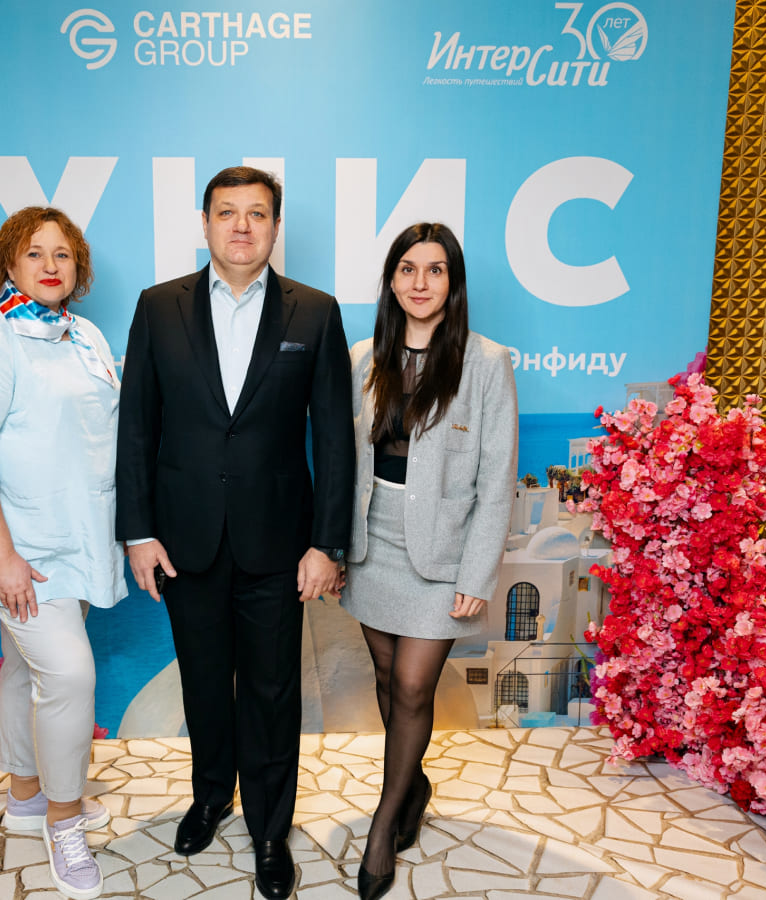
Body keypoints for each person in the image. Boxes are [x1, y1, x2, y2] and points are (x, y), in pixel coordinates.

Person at [115, 166, 354, 899]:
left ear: (275, 227)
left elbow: (335, 439)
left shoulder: (315, 312)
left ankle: (270, 830)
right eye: (227, 212)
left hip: (278, 544)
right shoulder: (158, 307)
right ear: (205, 223)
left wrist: (326, 544)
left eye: (256, 213)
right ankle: (211, 796)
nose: (241, 226)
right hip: (184, 539)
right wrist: (137, 532)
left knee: (272, 692)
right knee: (203, 683)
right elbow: (137, 428)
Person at [0, 206, 125, 900]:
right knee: (69, 676)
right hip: (21, 550)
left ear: (78, 268)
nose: (50, 265)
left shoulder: (84, 335)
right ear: (8, 264)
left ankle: (23, 796)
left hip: (77, 538)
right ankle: (63, 822)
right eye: (34, 252)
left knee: (25, 669)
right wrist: (4, 559)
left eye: (62, 254)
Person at [341, 223, 517, 900]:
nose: (420, 283)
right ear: (391, 280)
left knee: (414, 686)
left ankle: (384, 824)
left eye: (435, 270)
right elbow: (347, 461)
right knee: (388, 677)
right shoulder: (365, 358)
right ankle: (411, 785)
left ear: (453, 282)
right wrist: (338, 546)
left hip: (443, 551)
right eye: (408, 269)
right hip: (373, 542)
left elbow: (496, 478)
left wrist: (477, 573)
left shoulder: (485, 361)